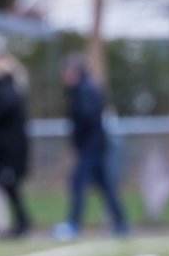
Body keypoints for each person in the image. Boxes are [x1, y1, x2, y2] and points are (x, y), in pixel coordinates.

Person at [54, 56, 129, 239]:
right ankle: (121, 223)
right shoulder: (83, 89)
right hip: (93, 145)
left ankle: (73, 223)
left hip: (91, 146)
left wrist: (79, 142)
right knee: (104, 186)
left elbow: (86, 119)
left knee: (78, 184)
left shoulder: (85, 90)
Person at [0, 48, 32, 237]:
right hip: (1, 147)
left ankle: (22, 221)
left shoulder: (7, 88)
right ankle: (20, 220)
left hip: (10, 148)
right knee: (5, 184)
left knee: (9, 183)